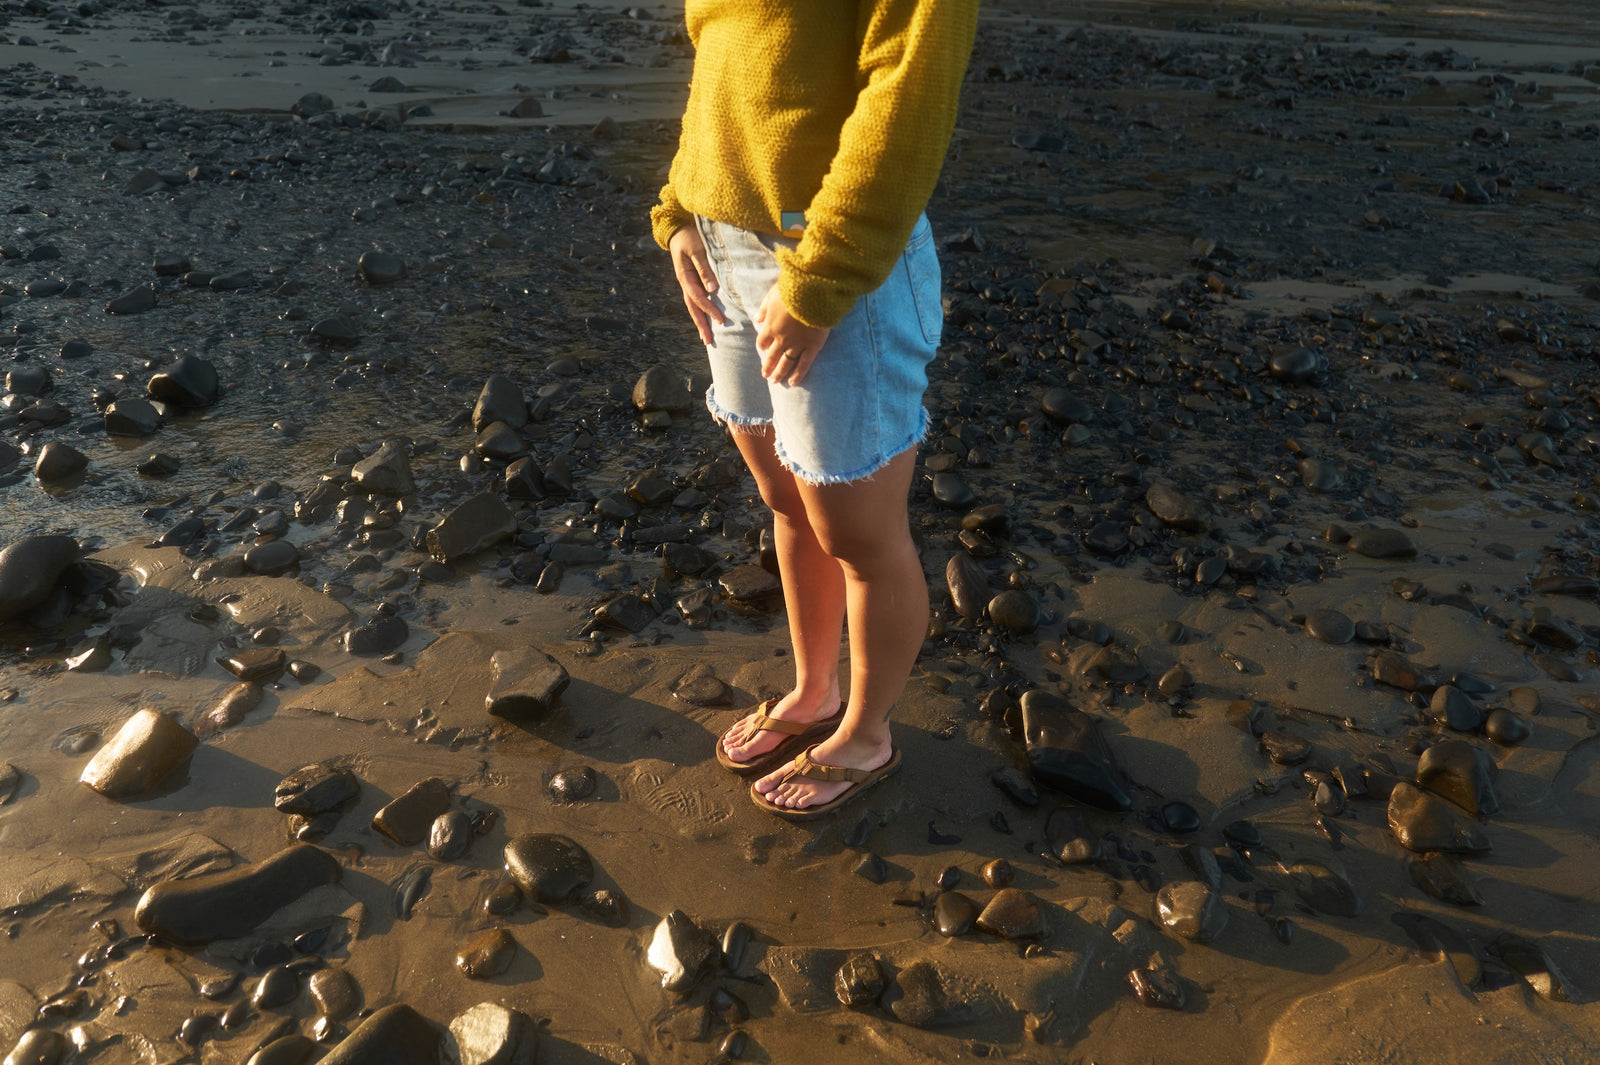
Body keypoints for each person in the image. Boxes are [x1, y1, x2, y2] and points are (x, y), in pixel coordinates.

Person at [651, 0, 979, 820]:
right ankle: (814, 690)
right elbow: (721, 56)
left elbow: (905, 97)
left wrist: (822, 279)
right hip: (722, 249)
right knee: (786, 496)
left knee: (858, 533)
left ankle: (867, 734)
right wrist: (678, 209)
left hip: (825, 265)